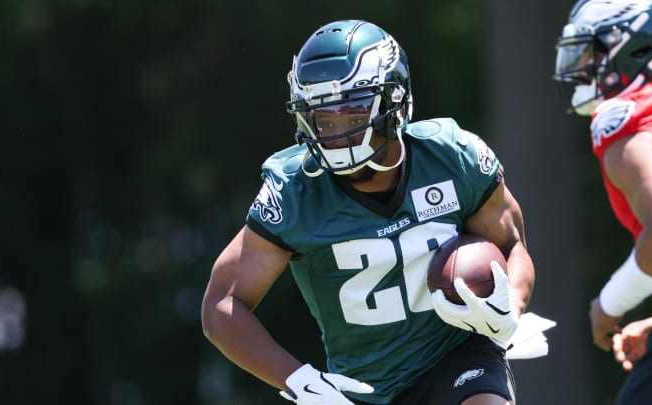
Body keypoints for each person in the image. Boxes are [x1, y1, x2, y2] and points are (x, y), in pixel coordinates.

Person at [202, 19, 538, 405]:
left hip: (456, 355)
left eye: (355, 117)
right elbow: (222, 305)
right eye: (324, 120)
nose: (337, 135)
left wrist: (509, 305)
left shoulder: (451, 158)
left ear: (396, 102)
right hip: (363, 388)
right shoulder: (297, 192)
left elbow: (512, 244)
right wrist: (299, 380)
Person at [553, 0, 652, 403]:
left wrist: (610, 304)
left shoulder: (627, 121)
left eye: (594, 51)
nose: (582, 64)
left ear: (635, 49)